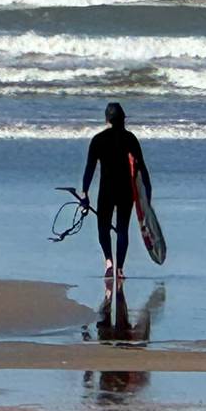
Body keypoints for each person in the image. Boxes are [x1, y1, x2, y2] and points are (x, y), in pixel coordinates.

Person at [81, 102, 151, 280]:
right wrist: (147, 194)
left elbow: (90, 168)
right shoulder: (130, 138)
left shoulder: (98, 140)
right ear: (123, 119)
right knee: (122, 230)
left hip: (106, 190)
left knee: (103, 228)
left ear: (107, 119)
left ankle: (109, 262)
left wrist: (85, 192)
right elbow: (142, 167)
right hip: (125, 190)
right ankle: (120, 269)